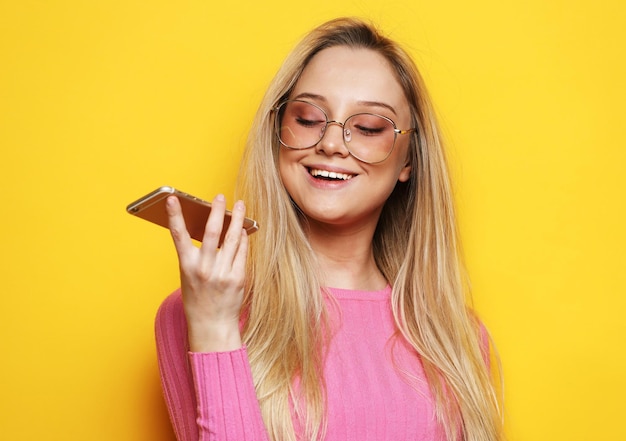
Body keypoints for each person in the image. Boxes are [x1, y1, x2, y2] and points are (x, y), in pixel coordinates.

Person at [155, 17, 503, 441]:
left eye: (369, 127)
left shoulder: (458, 338)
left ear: (408, 161)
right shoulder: (195, 312)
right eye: (307, 119)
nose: (333, 144)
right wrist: (214, 329)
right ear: (278, 133)